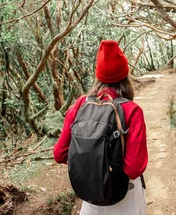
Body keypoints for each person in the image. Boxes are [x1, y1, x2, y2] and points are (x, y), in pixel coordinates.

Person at [54, 40, 148, 215]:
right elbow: (134, 169)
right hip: (125, 197)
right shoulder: (132, 111)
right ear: (126, 76)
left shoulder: (81, 104)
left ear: (98, 76)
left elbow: (59, 154)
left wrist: (90, 162)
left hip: (90, 199)